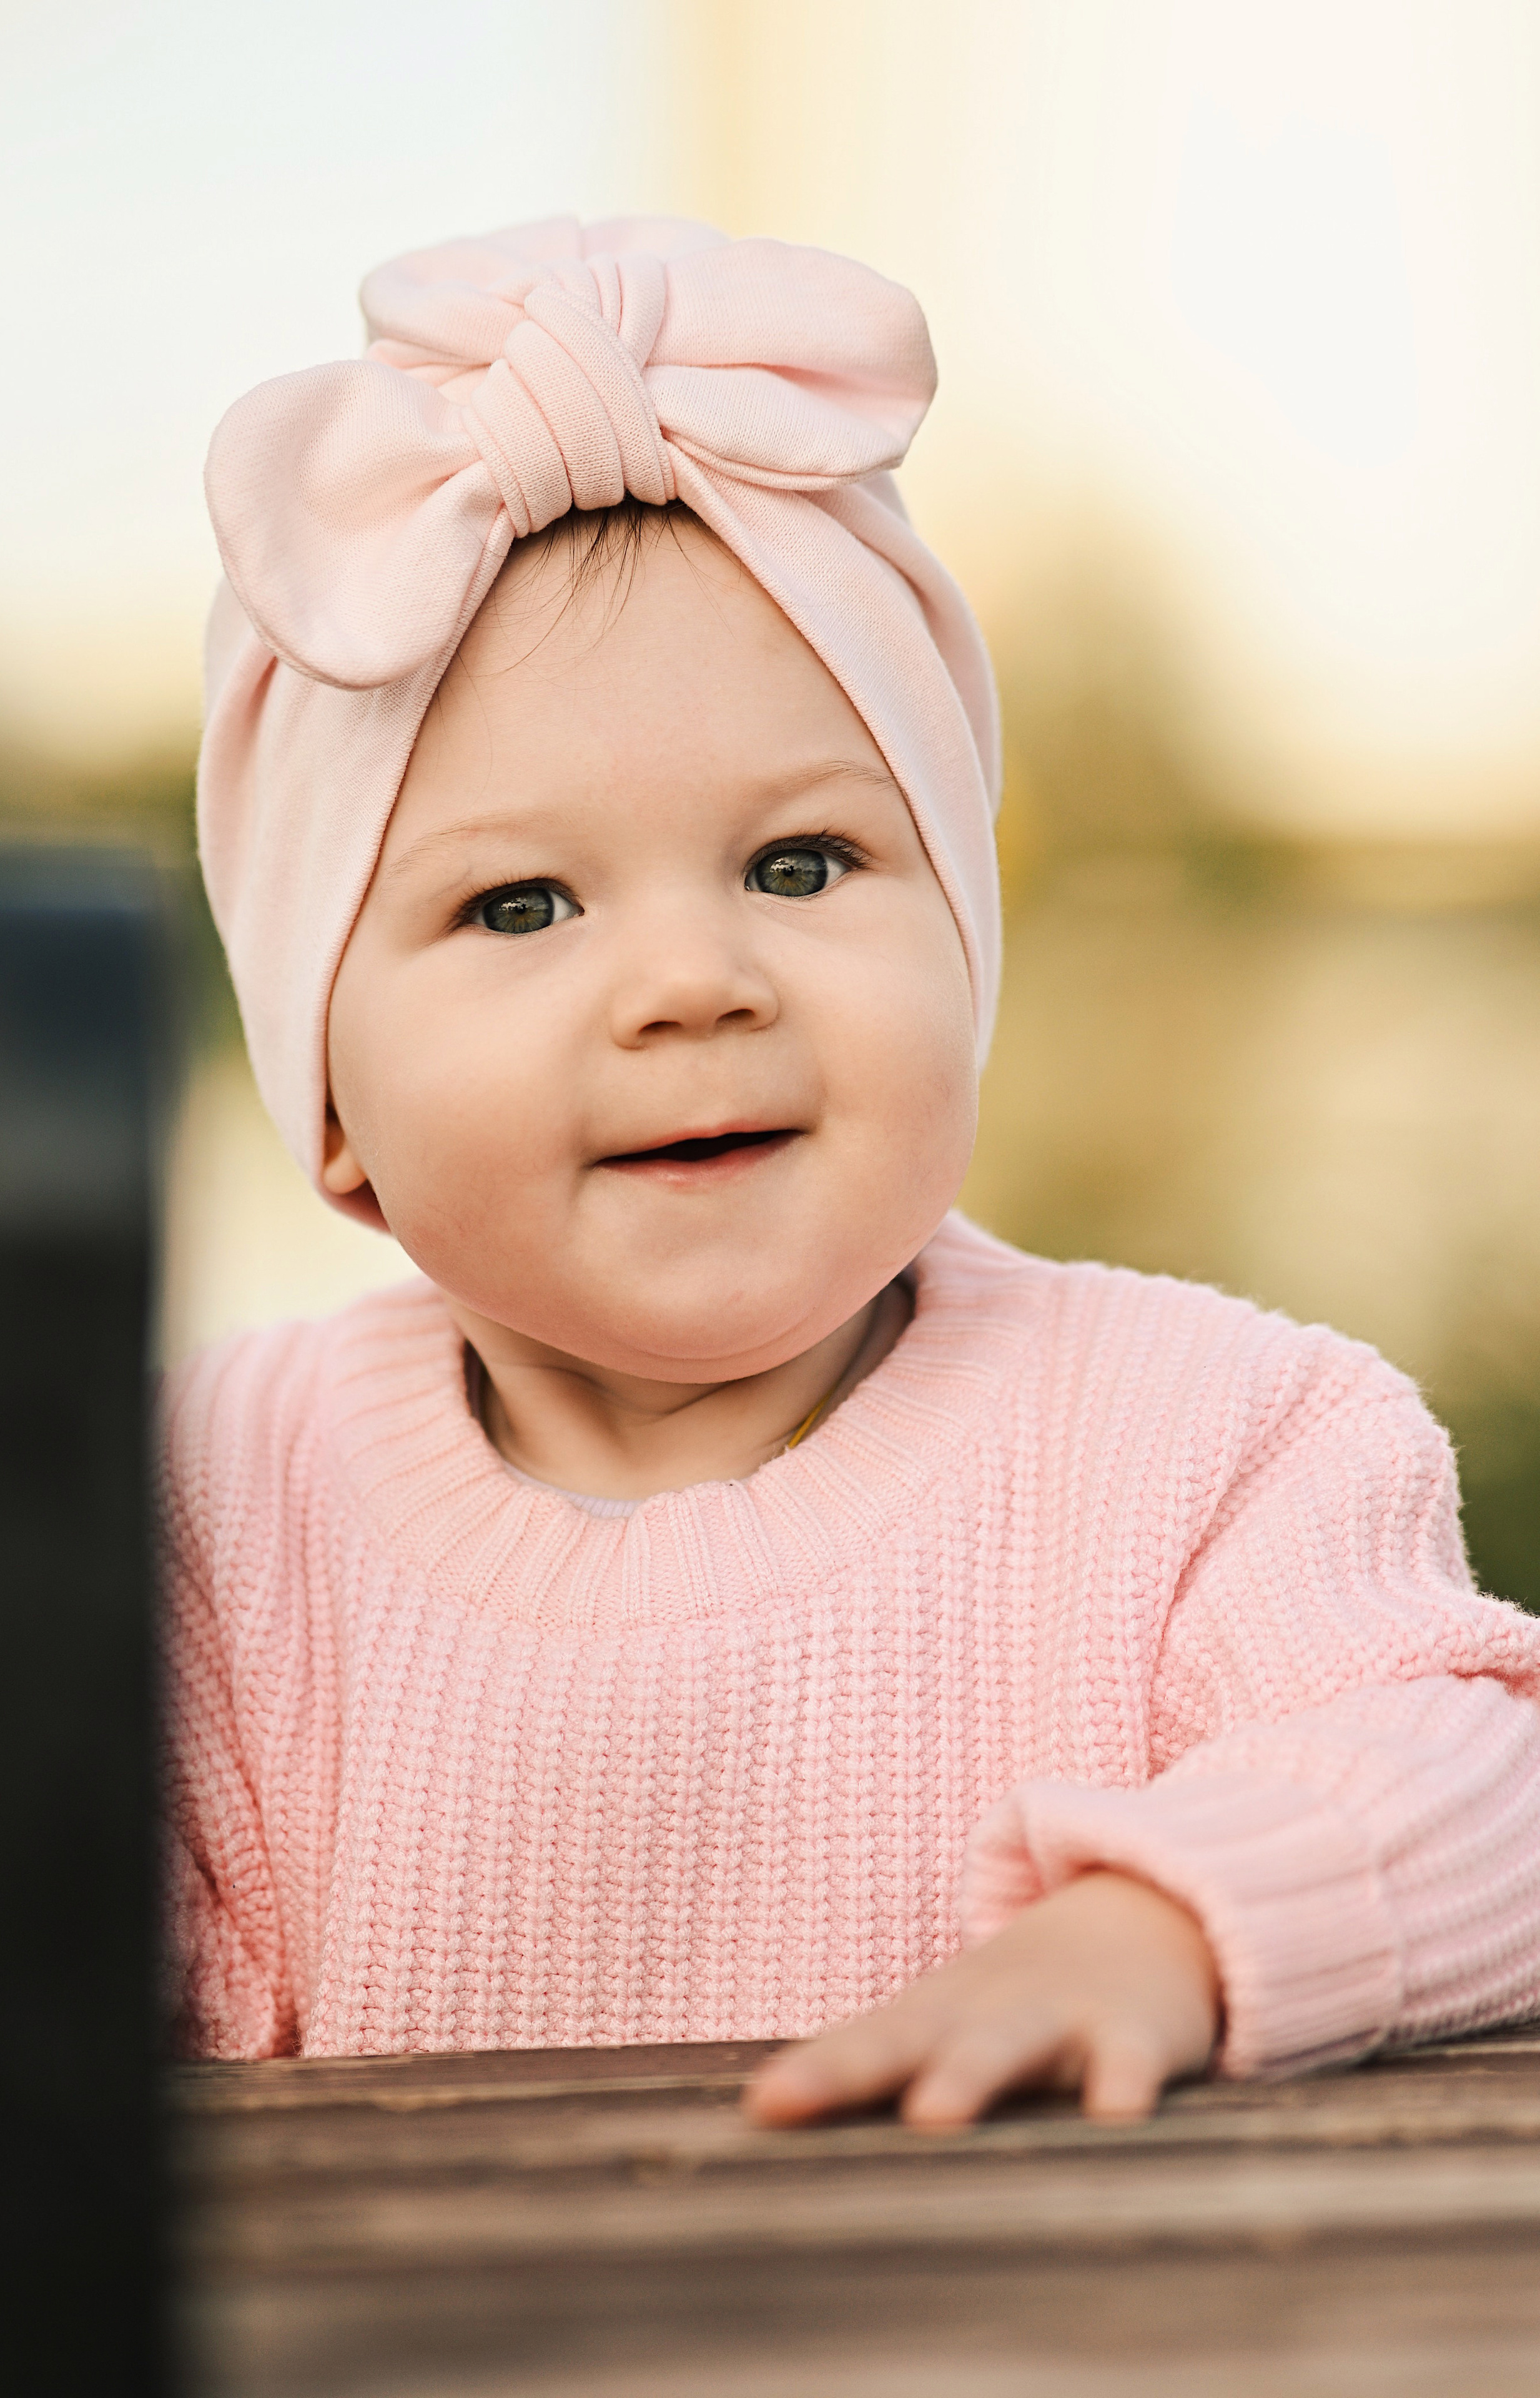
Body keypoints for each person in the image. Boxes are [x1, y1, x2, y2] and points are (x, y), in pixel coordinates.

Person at [164, 215, 1540, 2126]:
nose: (691, 983)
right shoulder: (198, 1517)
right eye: (520, 902)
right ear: (323, 1088)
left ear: (968, 944)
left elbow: (1488, 1778)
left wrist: (1167, 1929)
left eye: (801, 865)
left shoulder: (1219, 1446)